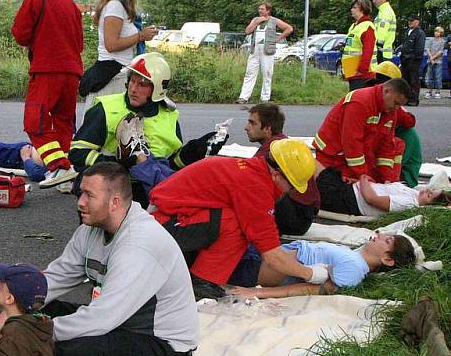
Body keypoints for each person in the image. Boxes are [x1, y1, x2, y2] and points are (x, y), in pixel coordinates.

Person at [0, 162, 199, 356]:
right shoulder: (90, 228)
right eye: (80, 192)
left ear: (115, 202)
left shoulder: (139, 245)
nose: (80, 202)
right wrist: (14, 314)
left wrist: (30, 333)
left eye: (89, 195)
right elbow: (55, 278)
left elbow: (101, 319)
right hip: (117, 325)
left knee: (61, 353)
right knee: (30, 314)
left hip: (160, 347)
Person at [149, 138, 328, 300]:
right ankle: (201, 283)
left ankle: (200, 277)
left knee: (235, 222)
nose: (290, 193)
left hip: (166, 219)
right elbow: (273, 257)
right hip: (161, 225)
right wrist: (310, 273)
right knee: (234, 225)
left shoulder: (251, 170)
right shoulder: (255, 188)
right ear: (276, 175)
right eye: (292, 187)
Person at [70, 52, 200, 207]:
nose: (133, 89)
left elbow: (170, 166)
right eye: (132, 81)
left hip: (151, 190)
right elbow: (77, 153)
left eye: (142, 84)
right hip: (109, 188)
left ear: (158, 89)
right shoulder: (106, 109)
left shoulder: (169, 116)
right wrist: (114, 163)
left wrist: (190, 155)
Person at [11, 0, 83, 189]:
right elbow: (79, 43)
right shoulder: (73, 6)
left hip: (46, 71)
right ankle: (65, 177)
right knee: (63, 122)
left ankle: (58, 165)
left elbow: (20, 35)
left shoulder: (35, 0)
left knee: (35, 122)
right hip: (71, 73)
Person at [229, 232, 416, 299]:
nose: (380, 234)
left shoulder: (355, 270)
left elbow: (309, 290)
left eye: (387, 240)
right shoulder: (355, 256)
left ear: (388, 260)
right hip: (263, 254)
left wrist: (258, 292)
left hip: (255, 266)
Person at [82, 0, 157, 109]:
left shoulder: (123, 8)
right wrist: (140, 36)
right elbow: (111, 44)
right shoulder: (115, 7)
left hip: (121, 72)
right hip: (112, 76)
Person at [314, 78, 410, 183]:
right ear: (387, 91)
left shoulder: (389, 110)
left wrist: (387, 179)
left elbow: (386, 147)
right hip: (333, 158)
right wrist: (363, 176)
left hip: (354, 160)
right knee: (343, 193)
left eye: (400, 105)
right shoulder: (360, 102)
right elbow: (352, 145)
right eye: (396, 103)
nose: (397, 108)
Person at [244, 102, 319, 235]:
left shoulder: (271, 152)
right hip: (304, 214)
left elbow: (245, 180)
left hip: (294, 219)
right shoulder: (283, 144)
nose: (246, 127)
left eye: (252, 123)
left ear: (267, 128)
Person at [316, 162, 449, 217]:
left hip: (347, 199)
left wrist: (363, 179)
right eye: (430, 190)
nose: (426, 191)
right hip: (350, 190)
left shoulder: (409, 204)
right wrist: (359, 182)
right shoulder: (415, 193)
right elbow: (382, 189)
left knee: (311, 166)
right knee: (319, 169)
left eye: (429, 195)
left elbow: (371, 199)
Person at [236, 2, 292, 104]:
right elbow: (247, 31)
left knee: (267, 73)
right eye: (259, 9)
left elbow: (289, 28)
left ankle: (265, 98)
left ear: (268, 10)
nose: (260, 11)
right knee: (250, 73)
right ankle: (243, 97)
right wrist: (257, 22)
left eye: (262, 9)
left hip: (267, 50)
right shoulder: (255, 20)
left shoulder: (274, 21)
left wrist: (277, 39)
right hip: (255, 50)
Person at [342, 0, 375, 91]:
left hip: (362, 74)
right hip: (352, 71)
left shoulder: (367, 26)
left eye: (355, 7)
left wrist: (361, 70)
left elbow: (368, 51)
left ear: (363, 9)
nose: (351, 10)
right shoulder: (354, 26)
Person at [399, 15, 425, 106]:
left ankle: (414, 99)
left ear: (417, 22)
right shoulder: (408, 32)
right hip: (405, 60)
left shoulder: (419, 33)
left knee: (414, 80)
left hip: (413, 61)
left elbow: (419, 48)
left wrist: (413, 58)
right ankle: (407, 98)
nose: (409, 22)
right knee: (406, 80)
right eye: (409, 21)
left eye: (412, 21)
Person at [371, 0, 397, 65]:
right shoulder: (383, 11)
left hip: (381, 51)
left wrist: (378, 45)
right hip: (384, 52)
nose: (374, 1)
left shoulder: (385, 12)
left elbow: (382, 31)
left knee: (381, 76)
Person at [425, 26, 445, 99]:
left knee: (438, 77)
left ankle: (437, 91)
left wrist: (433, 58)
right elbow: (427, 49)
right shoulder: (431, 40)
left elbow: (440, 51)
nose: (436, 33)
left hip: (438, 62)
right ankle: (429, 91)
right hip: (430, 61)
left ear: (441, 33)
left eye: (438, 32)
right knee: (429, 76)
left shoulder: (442, 41)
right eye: (435, 31)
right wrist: (431, 59)